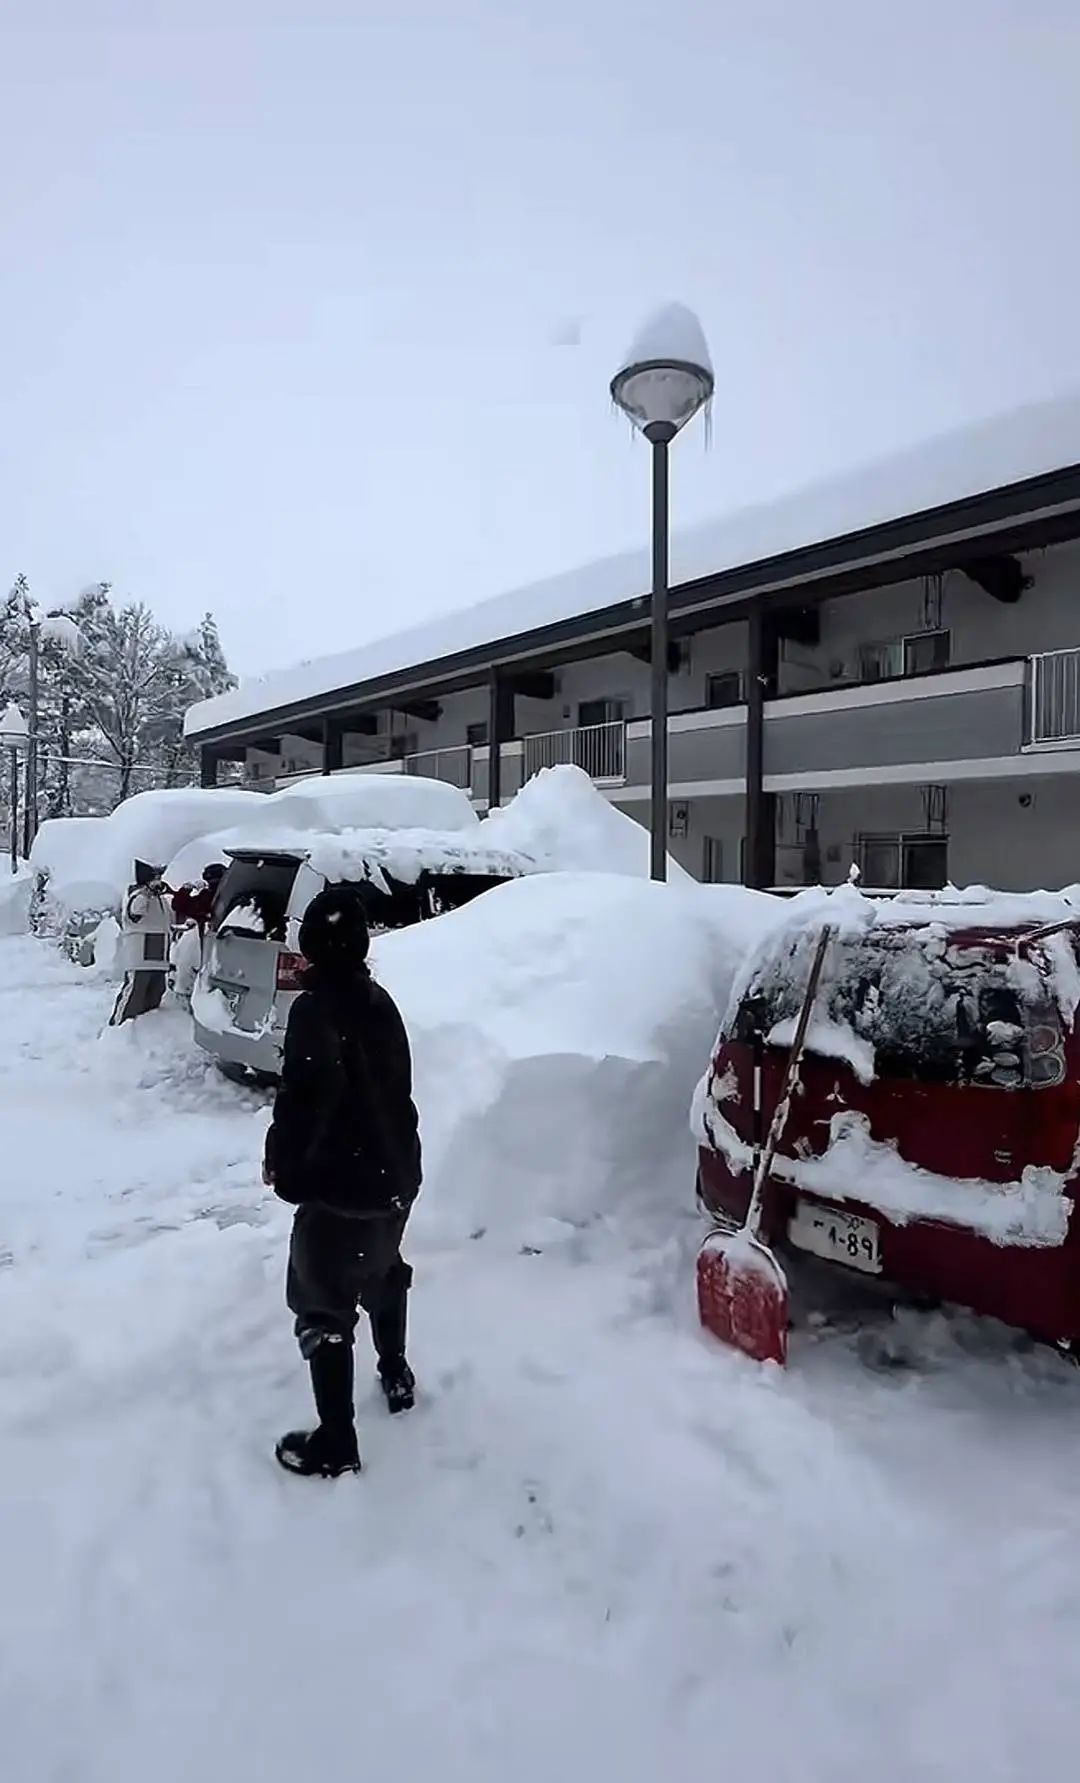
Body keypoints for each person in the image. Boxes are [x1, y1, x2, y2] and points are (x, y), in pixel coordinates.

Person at [263, 883, 422, 1478]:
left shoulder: (315, 1011)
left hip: (342, 1183)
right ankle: (396, 1372)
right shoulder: (381, 1003)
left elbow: (305, 1099)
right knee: (381, 1269)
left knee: (322, 1305)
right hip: (394, 1175)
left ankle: (338, 1441)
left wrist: (286, 1166)